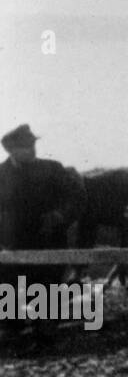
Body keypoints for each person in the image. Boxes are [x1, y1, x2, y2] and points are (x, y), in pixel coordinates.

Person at [0, 124, 87, 339]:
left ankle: (45, 329)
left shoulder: (52, 169)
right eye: (24, 146)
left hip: (50, 242)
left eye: (32, 144)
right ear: (10, 150)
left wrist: (60, 215)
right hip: (12, 246)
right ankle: (12, 329)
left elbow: (76, 199)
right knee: (10, 290)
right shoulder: (1, 175)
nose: (31, 149)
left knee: (47, 290)